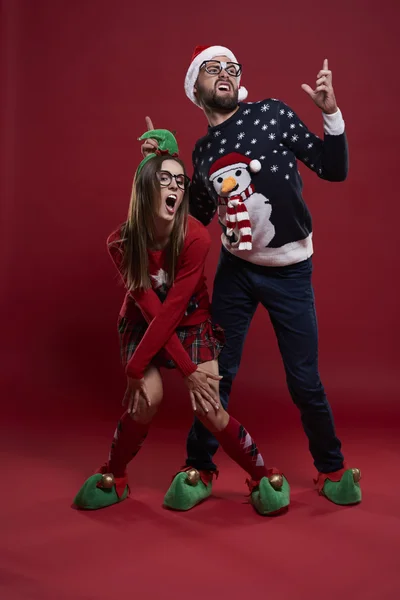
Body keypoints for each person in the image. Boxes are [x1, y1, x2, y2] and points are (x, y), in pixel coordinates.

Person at [142, 45, 362, 512]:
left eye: (232, 67)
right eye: (213, 68)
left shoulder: (272, 114)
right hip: (237, 273)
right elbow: (193, 221)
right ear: (195, 90)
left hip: (291, 273)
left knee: (304, 380)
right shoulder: (202, 152)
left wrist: (332, 113)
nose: (225, 72)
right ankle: (198, 466)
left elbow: (334, 168)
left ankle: (333, 468)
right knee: (216, 374)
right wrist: (159, 169)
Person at [73, 128, 291, 516]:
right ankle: (115, 475)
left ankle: (263, 475)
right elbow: (150, 311)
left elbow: (173, 311)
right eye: (164, 178)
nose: (176, 186)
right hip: (142, 324)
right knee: (146, 401)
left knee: (210, 407)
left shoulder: (195, 237)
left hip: (191, 322)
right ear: (144, 187)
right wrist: (138, 368)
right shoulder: (121, 243)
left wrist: (190, 371)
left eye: (180, 180)